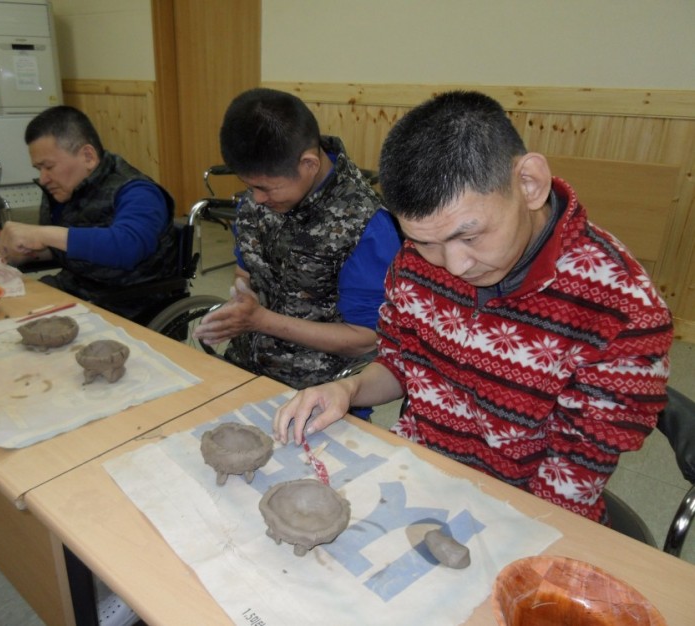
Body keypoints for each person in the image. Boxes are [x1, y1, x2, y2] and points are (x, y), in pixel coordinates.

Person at [274, 90, 673, 523]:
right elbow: (401, 365)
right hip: (419, 471)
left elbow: (567, 489)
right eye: (425, 242)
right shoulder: (416, 260)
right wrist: (347, 390)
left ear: (529, 184)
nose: (455, 265)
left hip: (523, 512)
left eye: (470, 235)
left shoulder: (620, 310)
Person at [193, 88, 401, 393]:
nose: (256, 198)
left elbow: (366, 339)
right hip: (242, 368)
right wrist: (241, 301)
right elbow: (245, 271)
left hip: (319, 392)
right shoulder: (262, 197)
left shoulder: (366, 224)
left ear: (309, 164)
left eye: (266, 188)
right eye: (249, 186)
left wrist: (260, 320)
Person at [0, 105, 177, 321]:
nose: (43, 178)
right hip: (76, 289)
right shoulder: (68, 187)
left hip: (128, 304)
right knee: (0, 308)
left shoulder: (138, 192)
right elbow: (73, 245)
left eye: (48, 167)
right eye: (38, 169)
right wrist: (24, 252)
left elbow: (127, 246)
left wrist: (42, 234)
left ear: (88, 156)